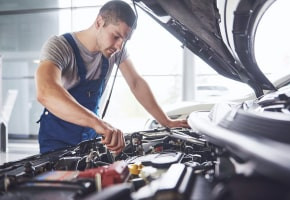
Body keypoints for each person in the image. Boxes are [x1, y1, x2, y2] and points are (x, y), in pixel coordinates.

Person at [35, 0, 189, 154]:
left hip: (89, 137)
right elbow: (46, 92)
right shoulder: (60, 47)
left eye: (125, 40)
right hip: (56, 140)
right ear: (99, 22)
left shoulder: (113, 52)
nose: (119, 47)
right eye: (116, 36)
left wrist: (166, 121)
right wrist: (98, 123)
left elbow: (136, 83)